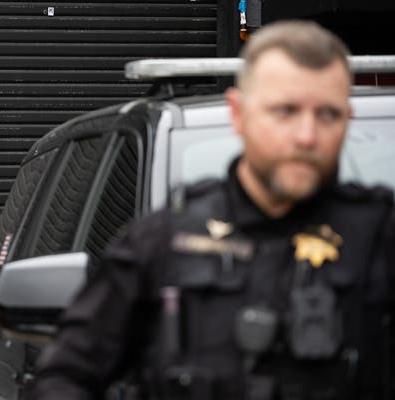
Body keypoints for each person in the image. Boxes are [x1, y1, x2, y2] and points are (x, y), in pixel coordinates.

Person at [27, 20, 395, 400]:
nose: (307, 136)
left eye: (328, 114)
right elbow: (63, 377)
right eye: (285, 111)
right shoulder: (162, 241)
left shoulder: (379, 237)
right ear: (238, 113)